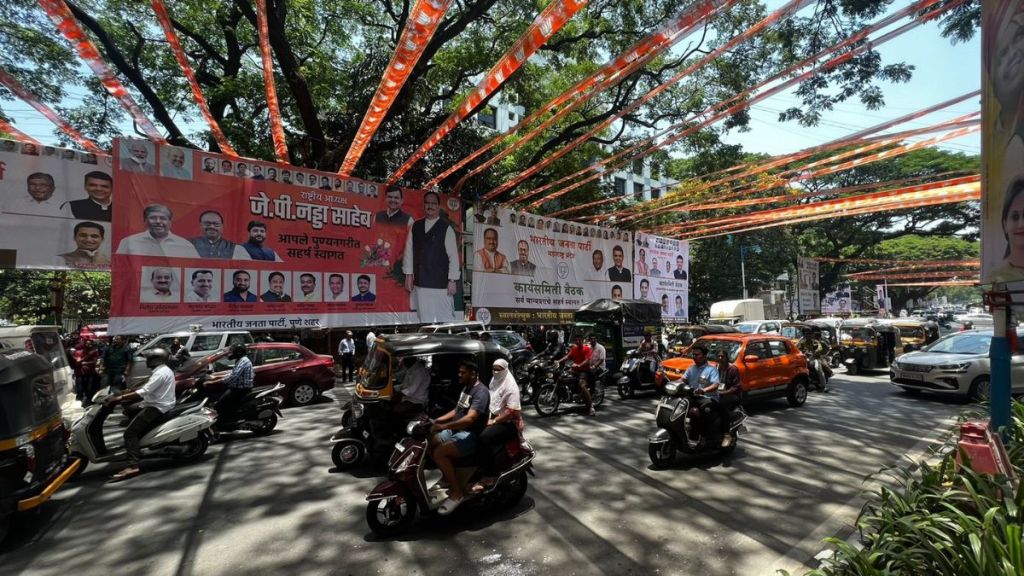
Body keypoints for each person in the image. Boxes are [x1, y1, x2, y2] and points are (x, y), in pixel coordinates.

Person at [104, 348, 176, 481]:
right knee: (129, 409)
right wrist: (124, 393)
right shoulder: (161, 370)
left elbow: (144, 391)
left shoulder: (161, 373)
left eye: (148, 359)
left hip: (157, 407)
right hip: (156, 403)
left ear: (156, 360)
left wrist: (118, 398)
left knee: (129, 433)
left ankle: (133, 465)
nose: (146, 361)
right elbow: (145, 387)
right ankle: (137, 444)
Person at [430, 360, 489, 514]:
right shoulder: (466, 388)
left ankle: (457, 491)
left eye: (463, 372)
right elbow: (457, 411)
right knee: (430, 442)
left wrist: (445, 426)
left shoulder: (481, 392)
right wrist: (436, 421)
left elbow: (470, 418)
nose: (459, 375)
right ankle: (448, 478)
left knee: (440, 452)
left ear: (473, 374)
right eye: (459, 372)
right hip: (456, 430)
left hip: (470, 434)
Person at [405, 191, 459, 322]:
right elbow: (409, 251)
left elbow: (453, 256)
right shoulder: (415, 226)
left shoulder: (446, 228)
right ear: (423, 205)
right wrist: (408, 275)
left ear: (438, 206)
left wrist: (452, 280)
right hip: (421, 283)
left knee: (445, 319)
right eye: (427, 203)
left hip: (441, 284)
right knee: (425, 319)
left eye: (433, 203)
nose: (430, 206)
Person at [472, 358, 523, 493]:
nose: (495, 372)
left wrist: (494, 421)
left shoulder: (511, 386)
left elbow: (511, 412)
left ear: (505, 370)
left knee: (485, 437)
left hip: (508, 423)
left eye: (498, 370)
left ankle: (490, 475)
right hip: (493, 416)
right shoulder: (494, 380)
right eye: (494, 369)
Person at [116, 204, 200, 257]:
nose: (158, 222)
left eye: (163, 218)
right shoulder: (128, 242)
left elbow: (194, 270)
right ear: (145, 221)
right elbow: (119, 269)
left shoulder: (185, 245)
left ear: (170, 222)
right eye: (153, 218)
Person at [680, 344, 721, 442]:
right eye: (693, 355)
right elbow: (682, 379)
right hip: (693, 397)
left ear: (704, 356)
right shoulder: (691, 368)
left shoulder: (711, 369)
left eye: (697, 355)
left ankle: (705, 437)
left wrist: (704, 390)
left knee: (701, 411)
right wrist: (672, 384)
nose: (694, 357)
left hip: (708, 398)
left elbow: (715, 385)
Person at [213, 344, 254, 425]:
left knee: (220, 404)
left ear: (238, 353)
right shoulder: (240, 360)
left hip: (241, 389)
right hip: (237, 387)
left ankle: (224, 423)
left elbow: (233, 377)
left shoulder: (244, 361)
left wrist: (214, 382)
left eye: (232, 352)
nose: (230, 354)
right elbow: (232, 373)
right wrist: (215, 377)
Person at [2, 172, 70, 217]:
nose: (37, 188)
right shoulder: (15, 203)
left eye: (43, 185)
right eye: (33, 184)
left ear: (53, 189)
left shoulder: (64, 207)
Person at [558, 335, 594, 415]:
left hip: (584, 371)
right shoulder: (574, 349)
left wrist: (579, 365)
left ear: (582, 340)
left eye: (579, 340)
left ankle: (591, 407)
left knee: (582, 385)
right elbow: (567, 356)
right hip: (574, 370)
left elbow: (587, 360)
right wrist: (558, 361)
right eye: (576, 340)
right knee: (562, 376)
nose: (578, 342)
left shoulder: (587, 348)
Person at [715, 351, 742, 448]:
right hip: (718, 393)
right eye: (719, 356)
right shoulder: (716, 368)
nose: (720, 358)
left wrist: (723, 393)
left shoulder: (733, 369)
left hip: (732, 395)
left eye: (722, 356)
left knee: (721, 405)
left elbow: (736, 387)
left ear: (727, 358)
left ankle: (726, 434)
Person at [797, 327, 829, 392]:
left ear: (811, 335)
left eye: (809, 334)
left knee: (818, 368)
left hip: (815, 358)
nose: (807, 335)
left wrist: (814, 352)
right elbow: (797, 348)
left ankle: (824, 386)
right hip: (805, 358)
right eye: (806, 334)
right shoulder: (802, 342)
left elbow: (820, 348)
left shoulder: (815, 342)